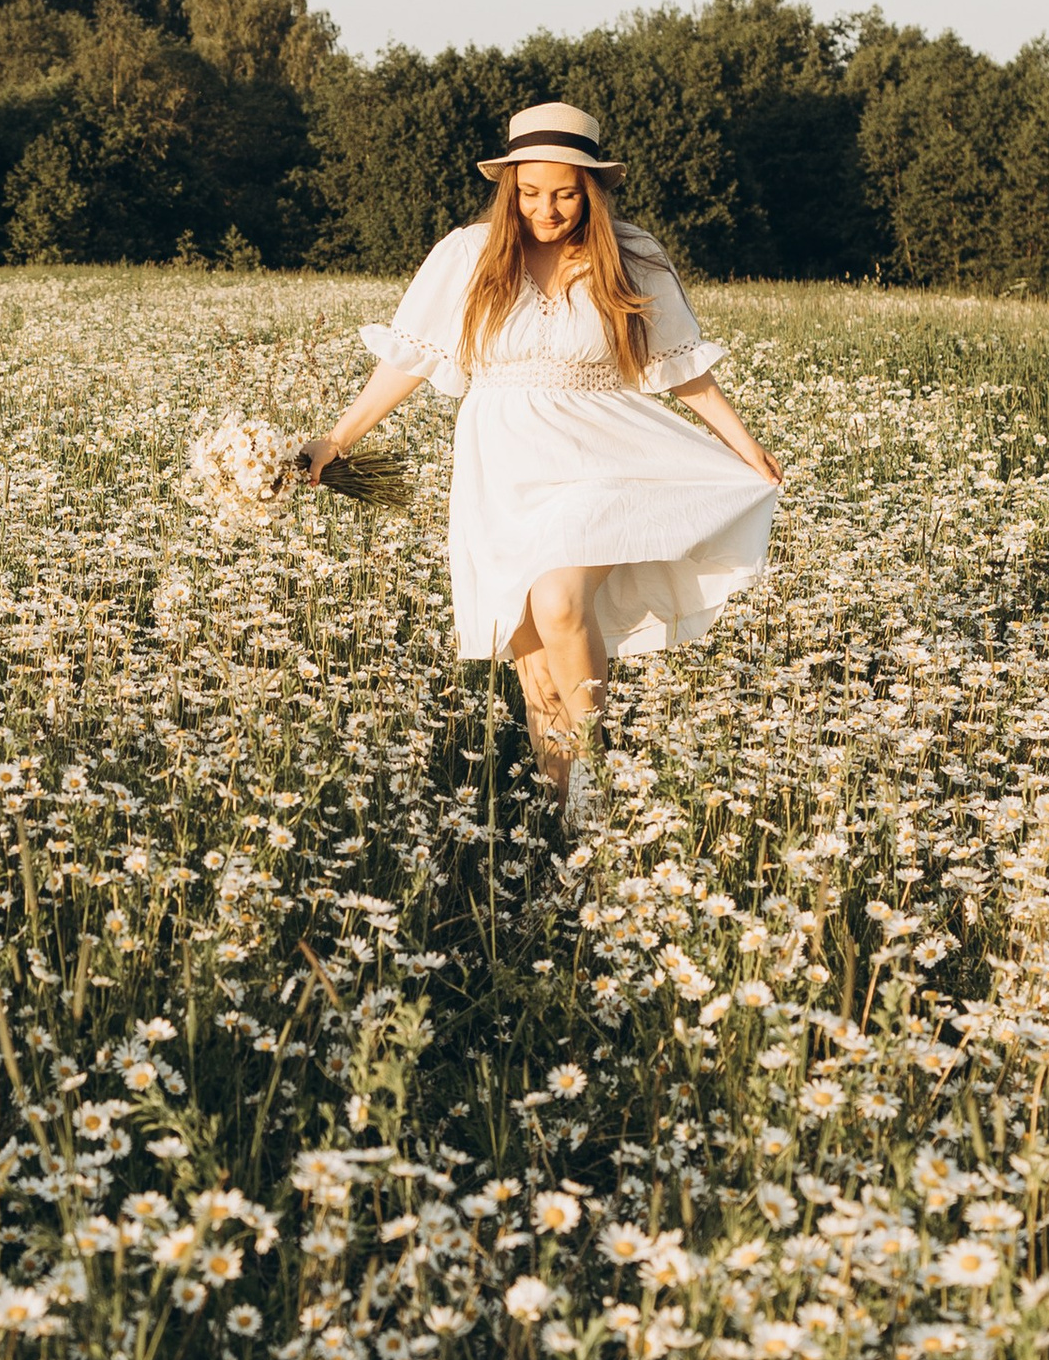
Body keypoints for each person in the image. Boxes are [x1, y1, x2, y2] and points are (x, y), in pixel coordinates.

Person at [303, 102, 782, 826]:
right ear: (510, 186)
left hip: (605, 454)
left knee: (559, 600)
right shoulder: (467, 255)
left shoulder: (631, 254)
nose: (545, 210)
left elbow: (680, 365)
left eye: (564, 194)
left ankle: (595, 778)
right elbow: (407, 362)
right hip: (502, 467)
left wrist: (745, 446)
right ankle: (570, 831)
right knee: (537, 672)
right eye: (530, 192)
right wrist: (334, 441)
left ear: (591, 190)